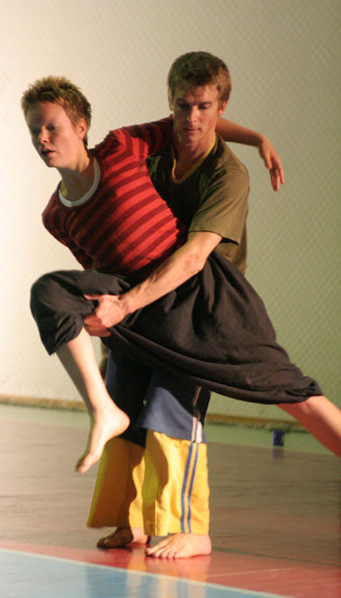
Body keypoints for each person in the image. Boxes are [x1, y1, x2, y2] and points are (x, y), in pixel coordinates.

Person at [22, 58, 340, 558]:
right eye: (182, 106)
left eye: (204, 107)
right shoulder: (82, 196)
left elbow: (193, 258)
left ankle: (190, 526)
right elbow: (98, 265)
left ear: (80, 126)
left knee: (284, 396)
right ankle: (129, 517)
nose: (192, 118)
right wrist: (106, 324)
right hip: (140, 301)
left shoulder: (216, 171)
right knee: (120, 388)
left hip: (208, 304)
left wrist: (256, 140)